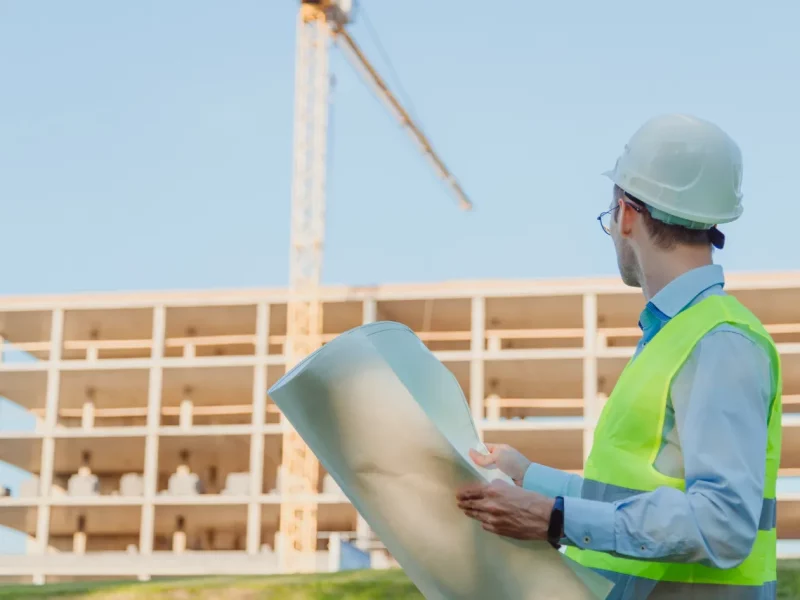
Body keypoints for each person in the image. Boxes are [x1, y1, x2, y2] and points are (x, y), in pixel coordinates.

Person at [456, 113, 782, 599]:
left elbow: (723, 524)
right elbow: (626, 496)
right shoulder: (676, 334)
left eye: (610, 217)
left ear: (627, 214)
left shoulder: (719, 341)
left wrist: (555, 519)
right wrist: (529, 476)